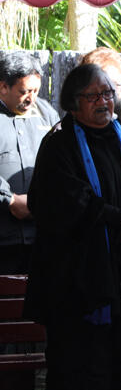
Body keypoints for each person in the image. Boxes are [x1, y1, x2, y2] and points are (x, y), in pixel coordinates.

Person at [23, 63, 121, 390]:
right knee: (81, 359)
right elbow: (60, 201)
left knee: (118, 356)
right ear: (74, 105)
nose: (104, 102)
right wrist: (117, 216)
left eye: (108, 93)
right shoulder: (60, 145)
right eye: (93, 96)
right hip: (77, 276)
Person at [0, 51, 58, 273]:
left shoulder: (47, 113)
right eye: (24, 91)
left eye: (35, 91)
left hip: (43, 236)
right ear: (3, 87)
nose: (31, 98)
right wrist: (10, 200)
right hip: (4, 239)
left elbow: (63, 159)